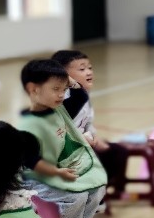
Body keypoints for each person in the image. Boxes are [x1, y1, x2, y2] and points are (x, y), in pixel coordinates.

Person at [17, 59, 107, 218]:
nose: (61, 95)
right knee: (77, 196)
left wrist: (70, 82)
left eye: (63, 89)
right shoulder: (29, 125)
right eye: (55, 89)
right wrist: (58, 173)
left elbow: (80, 96)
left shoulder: (58, 109)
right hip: (37, 177)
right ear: (33, 89)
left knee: (98, 185)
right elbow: (32, 161)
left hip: (61, 169)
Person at [53, 49, 129, 197]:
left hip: (85, 142)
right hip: (69, 149)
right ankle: (93, 195)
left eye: (89, 68)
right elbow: (63, 130)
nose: (88, 72)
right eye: (82, 69)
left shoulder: (84, 94)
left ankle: (107, 192)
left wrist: (95, 137)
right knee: (95, 161)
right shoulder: (64, 98)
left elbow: (87, 123)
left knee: (118, 151)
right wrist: (84, 141)